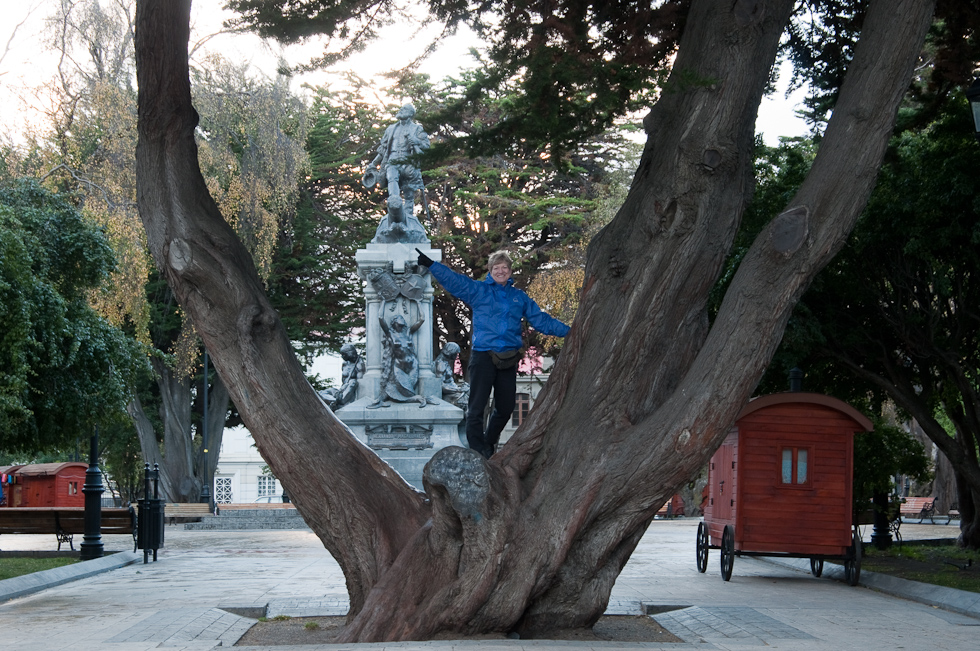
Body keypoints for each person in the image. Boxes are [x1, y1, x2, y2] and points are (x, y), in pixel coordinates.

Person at [417, 248, 571, 458]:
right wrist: (431, 264)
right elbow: (455, 281)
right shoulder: (479, 291)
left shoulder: (519, 297)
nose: (501, 271)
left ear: (509, 271)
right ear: (490, 271)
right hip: (483, 356)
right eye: (496, 268)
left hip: (508, 358)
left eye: (504, 267)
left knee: (506, 407)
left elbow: (541, 320)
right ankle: (476, 451)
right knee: (476, 408)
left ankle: (488, 444)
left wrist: (570, 331)